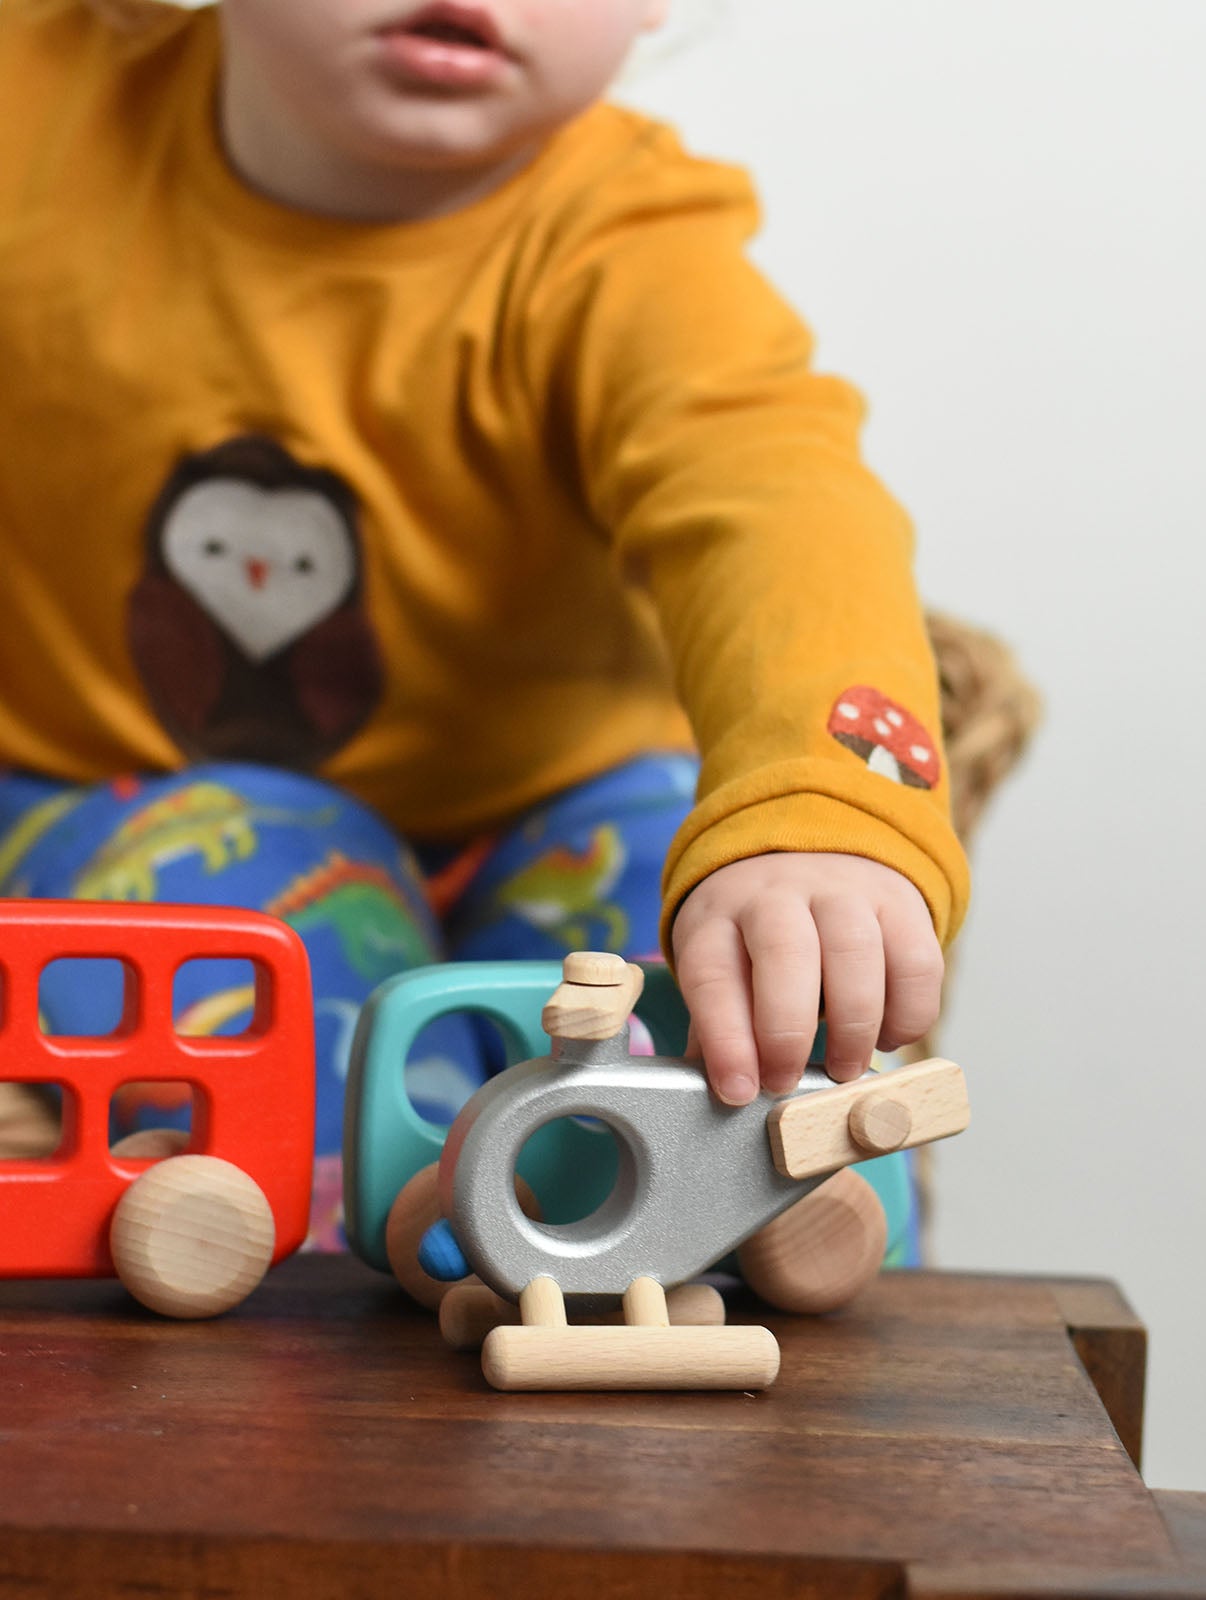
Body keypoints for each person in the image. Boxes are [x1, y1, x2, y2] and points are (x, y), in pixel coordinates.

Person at [0, 0, 968, 1260]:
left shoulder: (623, 242)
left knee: (702, 935)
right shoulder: (41, 104)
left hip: (554, 806)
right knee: (238, 899)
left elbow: (775, 502)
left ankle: (746, 1209)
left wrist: (816, 816)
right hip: (116, 786)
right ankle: (409, 1224)